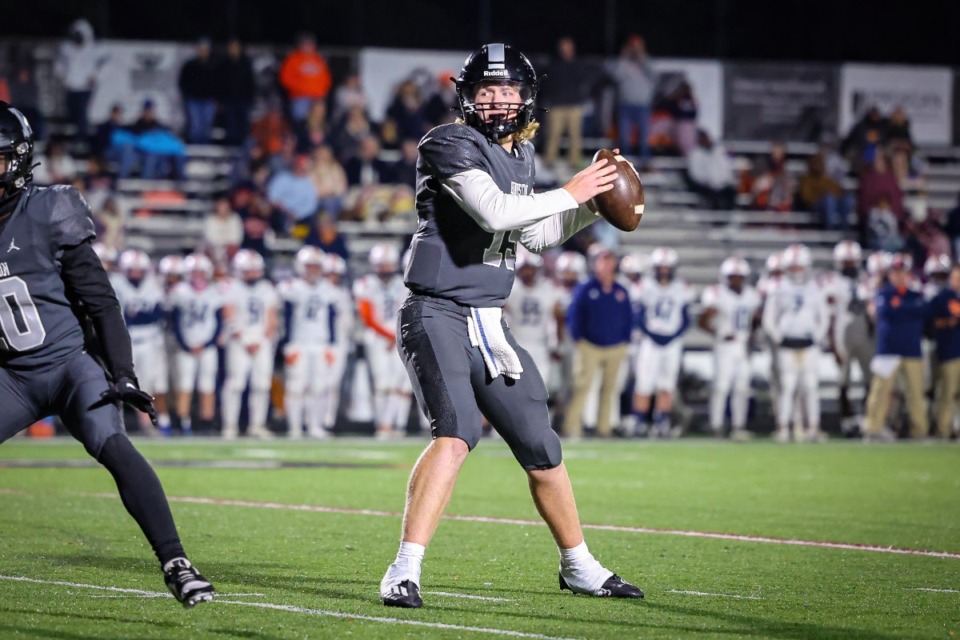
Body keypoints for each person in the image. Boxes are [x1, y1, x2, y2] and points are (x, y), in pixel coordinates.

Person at [378, 43, 642, 608]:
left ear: (526, 98)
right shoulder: (447, 142)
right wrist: (569, 191)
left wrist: (586, 206)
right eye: (486, 91)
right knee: (455, 435)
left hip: (488, 320)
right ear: (467, 97)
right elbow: (494, 212)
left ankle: (579, 566)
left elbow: (535, 236)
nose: (498, 101)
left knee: (541, 445)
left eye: (508, 91)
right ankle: (404, 569)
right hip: (437, 310)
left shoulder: (520, 158)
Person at [0, 102, 214, 606]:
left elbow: (99, 298)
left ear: (20, 159)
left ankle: (177, 562)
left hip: (71, 365)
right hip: (13, 376)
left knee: (113, 446)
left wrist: (123, 371)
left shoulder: (47, 210)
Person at [563, 244, 633, 438]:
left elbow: (628, 317)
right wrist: (579, 339)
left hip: (615, 346)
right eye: (602, 260)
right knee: (582, 387)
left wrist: (624, 340)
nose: (606, 265)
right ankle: (572, 427)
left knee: (610, 389)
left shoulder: (621, 290)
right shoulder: (585, 288)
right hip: (590, 346)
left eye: (609, 260)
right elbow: (574, 316)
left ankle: (604, 428)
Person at [762, 244, 828, 443]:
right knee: (788, 386)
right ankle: (783, 427)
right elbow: (769, 319)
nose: (797, 271)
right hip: (788, 343)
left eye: (800, 267)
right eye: (794, 267)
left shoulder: (815, 288)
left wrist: (816, 337)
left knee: (811, 386)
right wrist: (779, 337)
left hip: (808, 343)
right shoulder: (778, 287)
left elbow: (823, 317)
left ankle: (813, 427)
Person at [862, 253, 928, 441]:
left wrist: (901, 309)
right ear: (890, 275)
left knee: (916, 392)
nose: (899, 276)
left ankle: (920, 430)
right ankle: (873, 428)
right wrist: (906, 310)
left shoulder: (916, 295)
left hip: (912, 348)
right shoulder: (884, 294)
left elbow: (919, 313)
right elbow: (886, 312)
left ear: (909, 275)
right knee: (880, 392)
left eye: (903, 272)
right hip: (888, 349)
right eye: (895, 272)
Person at [699, 257, 761, 440]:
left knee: (742, 387)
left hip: (742, 346)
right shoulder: (717, 293)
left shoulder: (751, 295)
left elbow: (757, 319)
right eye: (732, 276)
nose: (735, 280)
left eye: (739, 276)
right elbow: (702, 320)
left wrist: (752, 333)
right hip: (724, 346)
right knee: (721, 386)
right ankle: (716, 425)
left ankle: (738, 425)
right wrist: (718, 333)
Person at [633, 248, 692, 438]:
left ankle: (661, 422)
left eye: (668, 267)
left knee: (667, 384)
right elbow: (639, 316)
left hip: (672, 341)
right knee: (644, 383)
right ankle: (640, 422)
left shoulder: (682, 288)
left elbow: (686, 318)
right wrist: (651, 334)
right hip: (650, 341)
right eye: (661, 267)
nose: (664, 271)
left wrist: (673, 336)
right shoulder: (645, 286)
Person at [354, 243, 411, 438]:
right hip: (377, 338)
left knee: (396, 383)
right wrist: (390, 336)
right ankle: (383, 424)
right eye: (381, 264)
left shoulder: (404, 283)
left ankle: (393, 424)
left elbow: (408, 312)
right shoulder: (365, 284)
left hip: (398, 335)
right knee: (381, 384)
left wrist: (396, 335)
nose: (384, 269)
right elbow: (367, 317)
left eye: (387, 264)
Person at [220, 250, 278, 440]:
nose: (252, 274)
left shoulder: (267, 288)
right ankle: (230, 425)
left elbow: (271, 317)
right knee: (235, 384)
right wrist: (245, 339)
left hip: (261, 340)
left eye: (254, 270)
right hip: (239, 340)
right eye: (248, 270)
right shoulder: (231, 287)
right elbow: (229, 316)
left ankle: (257, 425)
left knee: (261, 385)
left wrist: (260, 339)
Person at [542, 37, 591, 172]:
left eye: (568, 47)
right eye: (563, 47)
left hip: (574, 106)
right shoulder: (553, 65)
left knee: (575, 136)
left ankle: (574, 161)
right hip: (556, 106)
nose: (565, 50)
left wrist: (581, 99)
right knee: (553, 134)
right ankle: (550, 160)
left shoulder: (578, 65)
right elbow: (546, 85)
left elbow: (585, 83)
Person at [608, 35, 655, 164]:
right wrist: (623, 56)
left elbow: (654, 76)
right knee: (624, 137)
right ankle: (625, 163)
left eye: (638, 47)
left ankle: (645, 162)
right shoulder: (623, 63)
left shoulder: (647, 62)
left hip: (643, 106)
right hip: (625, 105)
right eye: (633, 46)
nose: (635, 50)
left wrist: (642, 57)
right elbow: (615, 76)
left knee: (644, 137)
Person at [53, 19, 103, 138]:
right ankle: (72, 138)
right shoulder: (66, 48)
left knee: (82, 114)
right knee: (71, 113)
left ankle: (82, 137)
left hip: (85, 88)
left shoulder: (93, 49)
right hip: (71, 87)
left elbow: (102, 66)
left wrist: (95, 76)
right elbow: (59, 66)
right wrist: (62, 77)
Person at [929, 264, 960, 440]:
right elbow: (933, 322)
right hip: (950, 351)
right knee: (947, 393)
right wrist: (949, 322)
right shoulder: (942, 298)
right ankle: (943, 429)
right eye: (957, 277)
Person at [278, 33, 332, 123]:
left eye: (310, 43)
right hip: (300, 98)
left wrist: (323, 92)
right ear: (300, 45)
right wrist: (300, 90)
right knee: (300, 122)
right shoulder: (293, 59)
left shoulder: (318, 59)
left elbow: (326, 78)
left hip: (317, 98)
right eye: (305, 43)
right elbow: (285, 78)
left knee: (317, 123)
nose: (308, 46)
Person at [177, 38, 220, 144]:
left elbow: (219, 83)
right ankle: (195, 148)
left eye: (205, 49)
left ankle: (205, 149)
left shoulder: (214, 66)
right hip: (194, 100)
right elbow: (183, 82)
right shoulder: (190, 65)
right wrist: (187, 96)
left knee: (206, 126)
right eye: (200, 49)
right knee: (195, 126)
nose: (202, 51)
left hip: (209, 100)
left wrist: (217, 98)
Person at [686, 129, 736, 210]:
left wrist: (723, 182)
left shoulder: (720, 150)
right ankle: (715, 218)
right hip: (705, 185)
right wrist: (709, 183)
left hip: (722, 184)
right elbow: (696, 174)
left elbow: (727, 168)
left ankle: (728, 216)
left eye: (705, 137)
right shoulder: (695, 154)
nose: (704, 140)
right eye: (702, 138)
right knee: (711, 196)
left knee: (731, 193)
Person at [218, 38, 255, 146]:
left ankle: (243, 148)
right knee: (231, 126)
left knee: (243, 126)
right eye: (231, 47)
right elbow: (220, 83)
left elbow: (250, 82)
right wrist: (221, 100)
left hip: (243, 100)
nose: (233, 50)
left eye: (235, 47)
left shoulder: (245, 63)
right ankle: (231, 147)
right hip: (229, 100)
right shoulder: (224, 64)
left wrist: (250, 98)